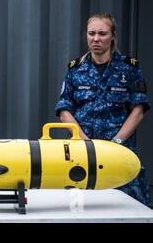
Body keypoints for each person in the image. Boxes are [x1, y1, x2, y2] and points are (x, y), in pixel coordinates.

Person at [55, 13, 151, 206]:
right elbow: (64, 109)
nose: (96, 39)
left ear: (112, 36)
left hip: (119, 153)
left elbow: (138, 109)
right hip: (82, 154)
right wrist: (84, 142)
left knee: (130, 209)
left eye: (102, 33)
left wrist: (116, 142)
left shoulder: (129, 69)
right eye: (92, 33)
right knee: (77, 209)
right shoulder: (75, 70)